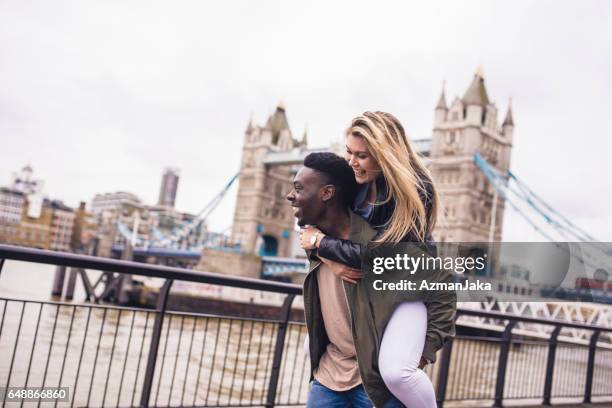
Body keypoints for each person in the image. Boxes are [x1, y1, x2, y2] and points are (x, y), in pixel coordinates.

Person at [299, 112, 456, 407]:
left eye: (363, 156)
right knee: (311, 346)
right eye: (349, 152)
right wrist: (329, 257)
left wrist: (322, 243)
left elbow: (375, 258)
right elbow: (310, 215)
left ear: (384, 156)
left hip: (406, 287)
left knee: (397, 373)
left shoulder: (414, 192)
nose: (352, 161)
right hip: (367, 291)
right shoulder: (351, 179)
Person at [287, 152, 404, 407]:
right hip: (328, 375)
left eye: (298, 188)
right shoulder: (311, 239)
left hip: (376, 381)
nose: (289, 195)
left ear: (327, 193)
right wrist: (323, 251)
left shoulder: (378, 247)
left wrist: (423, 355)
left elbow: (433, 297)